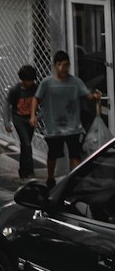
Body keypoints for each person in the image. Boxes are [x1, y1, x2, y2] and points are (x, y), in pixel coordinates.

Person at [30, 50, 102, 184]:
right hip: (54, 128)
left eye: (66, 65)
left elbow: (87, 96)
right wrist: (33, 115)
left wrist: (95, 97)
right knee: (52, 155)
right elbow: (36, 98)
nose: (64, 68)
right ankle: (50, 178)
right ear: (55, 65)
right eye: (61, 65)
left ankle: (76, 180)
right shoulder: (47, 82)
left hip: (73, 127)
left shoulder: (75, 81)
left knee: (75, 155)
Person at [4, 64, 38, 180]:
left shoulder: (35, 88)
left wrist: (38, 116)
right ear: (23, 80)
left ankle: (23, 171)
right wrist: (6, 122)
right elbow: (7, 105)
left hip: (30, 119)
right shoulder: (15, 90)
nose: (31, 83)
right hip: (19, 119)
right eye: (29, 81)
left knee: (26, 145)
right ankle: (29, 171)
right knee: (26, 143)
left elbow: (42, 102)